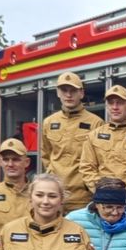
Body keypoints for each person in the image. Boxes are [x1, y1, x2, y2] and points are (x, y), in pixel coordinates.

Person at [40, 71, 102, 211]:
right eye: (64, 90)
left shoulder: (95, 123)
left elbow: (100, 161)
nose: (68, 95)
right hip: (55, 197)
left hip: (83, 198)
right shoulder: (49, 122)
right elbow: (46, 154)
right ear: (58, 93)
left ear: (81, 93)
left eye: (73, 90)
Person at [79, 85, 126, 191]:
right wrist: (102, 191)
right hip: (103, 198)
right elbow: (87, 168)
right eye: (111, 103)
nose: (115, 107)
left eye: (120, 103)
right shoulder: (94, 135)